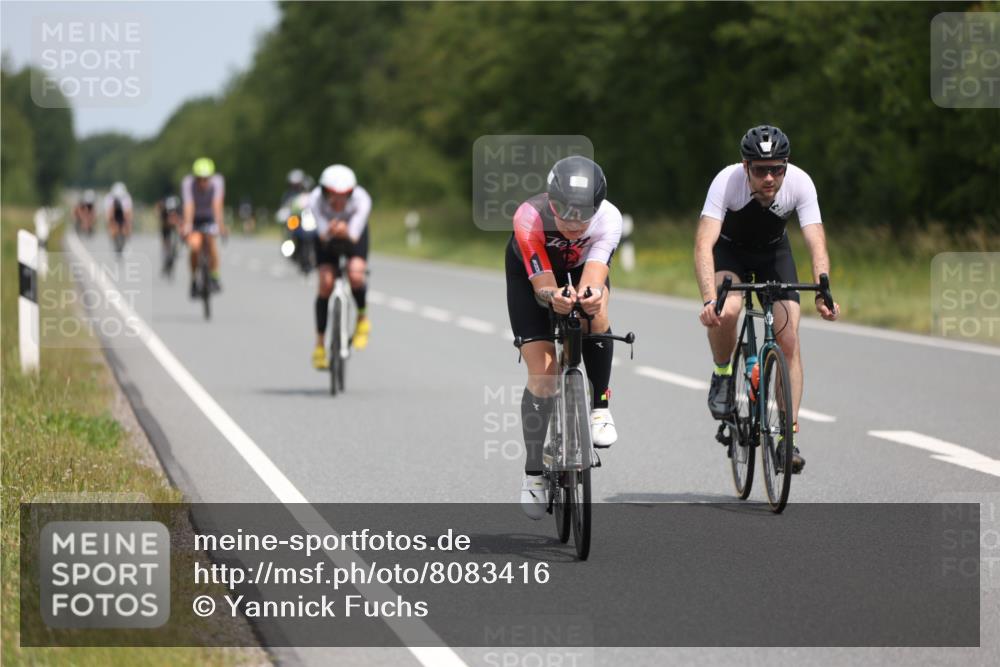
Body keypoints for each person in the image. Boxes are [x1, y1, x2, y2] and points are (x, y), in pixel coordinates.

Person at [695, 125, 840, 474]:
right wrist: (708, 299)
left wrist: (824, 289)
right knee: (727, 311)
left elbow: (815, 241)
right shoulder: (726, 181)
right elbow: (704, 243)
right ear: (746, 167)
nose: (770, 177)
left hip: (774, 254)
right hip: (731, 254)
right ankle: (723, 372)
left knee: (788, 340)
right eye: (761, 170)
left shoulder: (801, 183)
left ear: (786, 165)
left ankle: (786, 438)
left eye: (777, 168)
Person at [506, 155, 622, 519]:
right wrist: (553, 297)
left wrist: (588, 297)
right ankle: (533, 473)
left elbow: (593, 278)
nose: (573, 223)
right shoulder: (529, 217)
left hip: (580, 270)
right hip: (532, 278)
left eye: (582, 215)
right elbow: (542, 287)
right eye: (564, 212)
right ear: (551, 201)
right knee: (543, 375)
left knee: (596, 309)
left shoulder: (609, 219)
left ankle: (600, 407)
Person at [307, 164, 373, 367]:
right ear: (325, 192)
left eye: (344, 195)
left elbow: (354, 235)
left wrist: (344, 229)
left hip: (353, 236)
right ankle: (319, 345)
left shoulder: (362, 200)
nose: (338, 200)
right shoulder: (315, 199)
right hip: (327, 238)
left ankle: (362, 319)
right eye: (333, 195)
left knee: (355, 274)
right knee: (326, 283)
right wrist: (331, 229)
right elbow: (321, 232)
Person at [181, 158, 227, 296]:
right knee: (195, 246)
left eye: (206, 179)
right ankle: (194, 279)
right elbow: (189, 204)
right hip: (194, 218)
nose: (202, 182)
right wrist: (188, 225)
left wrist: (221, 226)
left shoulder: (218, 182)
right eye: (199, 179)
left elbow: (217, 204)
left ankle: (214, 275)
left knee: (211, 243)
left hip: (209, 217)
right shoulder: (187, 183)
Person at [157, 195, 182, 276]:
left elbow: (181, 222)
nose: (172, 213)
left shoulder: (179, 210)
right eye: (170, 211)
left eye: (173, 211)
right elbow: (162, 223)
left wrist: (178, 226)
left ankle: (175, 250)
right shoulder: (163, 211)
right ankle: (165, 257)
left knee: (178, 238)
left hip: (175, 227)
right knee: (165, 242)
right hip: (166, 227)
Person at [104, 182, 133, 251]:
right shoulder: (109, 198)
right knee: (112, 225)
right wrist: (109, 221)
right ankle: (114, 239)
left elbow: (128, 212)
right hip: (114, 213)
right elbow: (108, 212)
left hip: (123, 213)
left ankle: (125, 237)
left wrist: (128, 223)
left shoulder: (126, 197)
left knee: (127, 223)